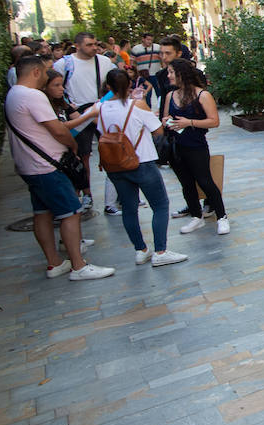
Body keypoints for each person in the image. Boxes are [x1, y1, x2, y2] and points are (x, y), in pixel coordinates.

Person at [5, 56, 113, 281]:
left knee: (42, 213)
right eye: (45, 71)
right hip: (48, 165)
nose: (48, 75)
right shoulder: (32, 95)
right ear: (35, 72)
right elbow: (59, 130)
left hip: (30, 166)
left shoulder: (13, 94)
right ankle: (78, 266)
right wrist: (72, 145)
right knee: (71, 213)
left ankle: (54, 262)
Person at [97, 69, 188, 268]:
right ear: (130, 86)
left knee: (129, 208)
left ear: (109, 87)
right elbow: (157, 130)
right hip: (142, 161)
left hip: (115, 165)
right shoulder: (137, 106)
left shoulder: (101, 108)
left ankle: (140, 250)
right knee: (160, 205)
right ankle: (160, 251)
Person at [163, 59, 230, 234]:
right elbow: (166, 118)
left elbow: (214, 121)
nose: (168, 75)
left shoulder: (202, 95)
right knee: (186, 184)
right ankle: (196, 216)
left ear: (181, 74)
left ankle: (222, 216)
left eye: (171, 72)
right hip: (175, 147)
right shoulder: (170, 96)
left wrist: (189, 122)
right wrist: (166, 121)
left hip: (196, 146)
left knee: (205, 181)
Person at [53, 31, 116, 207]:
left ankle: (116, 195)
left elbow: (115, 84)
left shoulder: (104, 62)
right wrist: (70, 108)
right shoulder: (64, 64)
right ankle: (85, 192)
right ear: (78, 45)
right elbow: (55, 88)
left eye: (95, 44)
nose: (94, 47)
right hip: (78, 115)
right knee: (82, 156)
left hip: (102, 111)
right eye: (89, 44)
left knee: (114, 151)